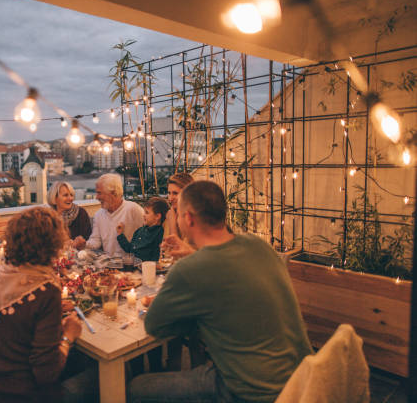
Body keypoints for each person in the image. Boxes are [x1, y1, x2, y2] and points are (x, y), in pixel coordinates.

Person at [130, 181, 313, 403]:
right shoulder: (258, 246)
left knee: (136, 387)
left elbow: (154, 326)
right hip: (303, 380)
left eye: (178, 213)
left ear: (188, 218)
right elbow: (226, 271)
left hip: (248, 391)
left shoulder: (188, 269)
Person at [0, 206, 97, 402]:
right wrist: (69, 335)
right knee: (105, 372)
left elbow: (18, 329)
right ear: (53, 244)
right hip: (25, 394)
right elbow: (46, 372)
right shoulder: (45, 291)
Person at [86, 173, 144, 255]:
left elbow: (147, 238)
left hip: (131, 264)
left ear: (113, 193)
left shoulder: (134, 210)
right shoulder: (98, 215)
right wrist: (84, 244)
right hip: (109, 265)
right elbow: (96, 241)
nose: (96, 197)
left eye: (99, 193)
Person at [116, 197, 170, 262]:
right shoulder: (139, 231)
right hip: (133, 266)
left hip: (146, 268)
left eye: (147, 213)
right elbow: (130, 249)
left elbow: (156, 256)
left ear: (157, 216)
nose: (143, 215)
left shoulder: (159, 233)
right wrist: (120, 235)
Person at [47, 181, 92, 249]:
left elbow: (88, 239)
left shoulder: (81, 213)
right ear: (55, 198)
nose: (70, 198)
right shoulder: (48, 217)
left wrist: (79, 242)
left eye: (71, 195)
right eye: (65, 195)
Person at [163, 172, 194, 239]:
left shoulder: (194, 219)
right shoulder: (171, 214)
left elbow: (175, 248)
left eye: (175, 193)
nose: (170, 198)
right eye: (169, 193)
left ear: (188, 193)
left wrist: (172, 225)